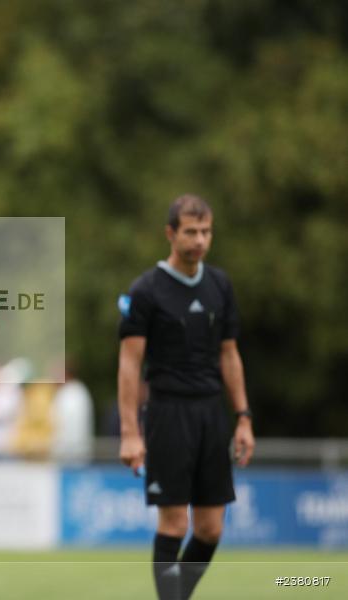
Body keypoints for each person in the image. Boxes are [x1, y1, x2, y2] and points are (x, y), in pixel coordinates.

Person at [117, 194, 256, 600]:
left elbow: (230, 354)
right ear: (171, 234)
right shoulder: (146, 290)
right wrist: (130, 432)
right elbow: (130, 365)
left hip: (212, 414)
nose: (200, 240)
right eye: (191, 232)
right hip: (167, 413)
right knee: (174, 523)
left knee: (211, 529)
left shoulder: (220, 285)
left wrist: (243, 417)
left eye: (206, 231)